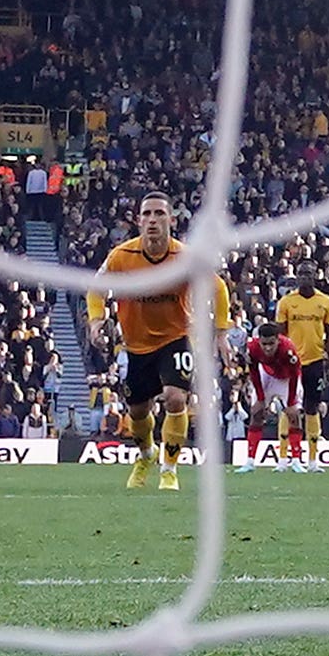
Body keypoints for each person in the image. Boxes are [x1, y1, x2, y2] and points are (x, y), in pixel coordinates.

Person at [90, 192, 230, 492]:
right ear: (138, 220)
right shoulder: (121, 256)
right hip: (137, 345)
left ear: (171, 219)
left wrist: (220, 332)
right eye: (147, 214)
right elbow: (96, 288)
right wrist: (96, 319)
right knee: (137, 411)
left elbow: (218, 288)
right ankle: (145, 455)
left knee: (175, 397)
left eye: (159, 214)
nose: (153, 220)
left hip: (175, 338)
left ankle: (169, 469)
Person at [276, 271, 329, 472]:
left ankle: (312, 461)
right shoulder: (286, 302)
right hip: (291, 362)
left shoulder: (325, 302)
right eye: (302, 274)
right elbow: (280, 333)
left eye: (308, 274)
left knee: (312, 407)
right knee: (289, 407)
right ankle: (283, 459)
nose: (305, 278)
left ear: (315, 277)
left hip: (315, 361)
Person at [236, 319, 302, 473]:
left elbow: (294, 375)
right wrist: (260, 398)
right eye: (264, 344)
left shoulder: (289, 350)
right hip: (267, 375)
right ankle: (250, 461)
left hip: (287, 379)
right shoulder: (252, 348)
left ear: (278, 340)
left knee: (294, 416)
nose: (267, 348)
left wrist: (291, 402)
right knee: (256, 414)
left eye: (271, 343)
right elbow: (253, 372)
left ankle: (296, 460)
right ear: (259, 341)